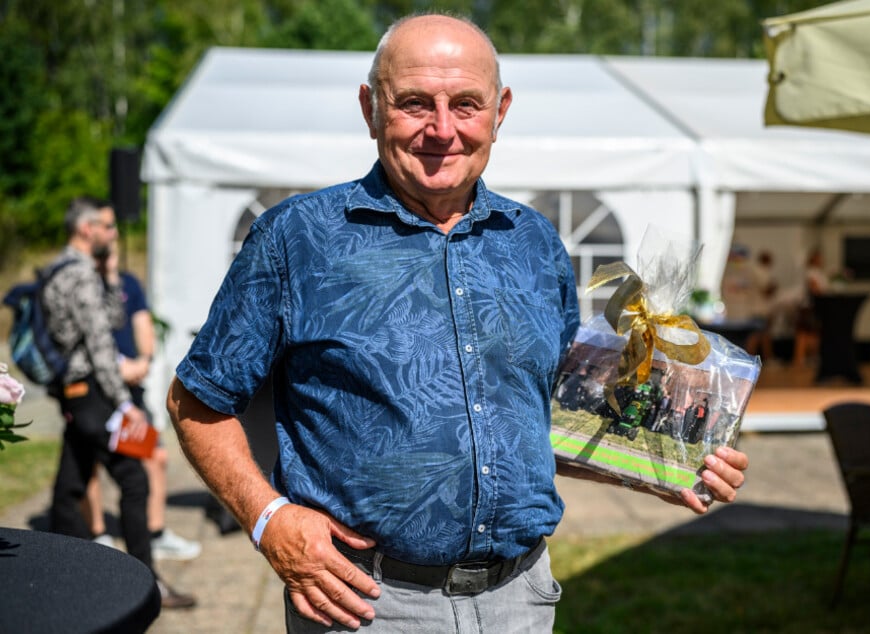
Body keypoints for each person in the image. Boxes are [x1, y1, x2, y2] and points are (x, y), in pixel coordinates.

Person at [166, 14, 749, 632]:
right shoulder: (298, 238)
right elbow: (196, 400)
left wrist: (659, 460)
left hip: (520, 600)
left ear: (500, 111)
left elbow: (539, 420)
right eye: (415, 103)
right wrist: (268, 519)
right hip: (363, 603)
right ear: (370, 108)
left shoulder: (533, 242)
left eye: (465, 104)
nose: (442, 130)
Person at [44, 196, 193, 608]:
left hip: (78, 395)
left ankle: (53, 578)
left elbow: (108, 321)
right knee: (133, 477)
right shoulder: (78, 275)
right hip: (94, 394)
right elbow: (100, 346)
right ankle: (147, 587)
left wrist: (109, 277)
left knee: (68, 486)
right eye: (108, 227)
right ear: (87, 229)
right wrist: (123, 403)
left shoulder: (63, 269)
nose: (114, 234)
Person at [82, 243, 202, 569]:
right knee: (88, 463)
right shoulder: (82, 287)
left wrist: (143, 361)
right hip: (93, 391)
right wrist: (114, 367)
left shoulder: (129, 284)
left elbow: (143, 326)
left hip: (129, 395)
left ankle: (155, 531)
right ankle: (97, 534)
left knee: (154, 456)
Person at [793, 248, 827, 367]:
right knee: (804, 333)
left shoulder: (818, 272)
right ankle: (800, 358)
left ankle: (810, 356)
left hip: (815, 306)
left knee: (814, 334)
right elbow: (814, 288)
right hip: (808, 306)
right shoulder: (811, 272)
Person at [745, 250, 777, 361]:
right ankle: (748, 359)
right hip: (759, 309)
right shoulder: (760, 271)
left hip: (759, 309)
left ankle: (767, 358)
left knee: (764, 336)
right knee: (755, 336)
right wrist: (774, 286)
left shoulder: (758, 271)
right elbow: (766, 291)